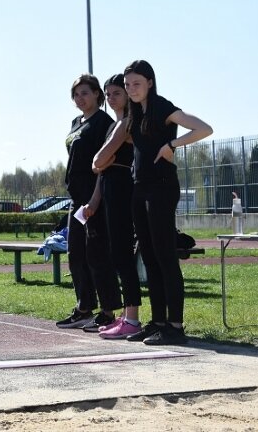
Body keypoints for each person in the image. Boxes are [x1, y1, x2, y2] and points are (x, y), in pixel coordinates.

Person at [96, 60, 212, 345]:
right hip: (139, 188)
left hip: (161, 188)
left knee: (165, 258)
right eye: (127, 85)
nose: (131, 89)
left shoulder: (162, 106)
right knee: (148, 258)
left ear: (149, 82)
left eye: (136, 84)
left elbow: (204, 129)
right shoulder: (134, 113)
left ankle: (175, 326)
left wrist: (172, 145)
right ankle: (157, 321)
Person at [56, 74, 122, 330]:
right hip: (76, 199)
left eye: (85, 93)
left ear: (97, 94)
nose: (80, 98)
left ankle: (108, 311)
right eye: (76, 94)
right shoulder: (76, 122)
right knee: (76, 255)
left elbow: (104, 165)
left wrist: (96, 198)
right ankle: (84, 307)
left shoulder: (103, 122)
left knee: (97, 255)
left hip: (95, 198)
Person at [90, 74, 142, 339]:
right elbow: (96, 165)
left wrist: (103, 162)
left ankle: (132, 318)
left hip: (123, 188)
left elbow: (99, 159)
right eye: (108, 94)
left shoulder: (128, 123)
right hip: (111, 186)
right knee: (116, 253)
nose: (111, 98)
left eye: (116, 93)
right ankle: (126, 315)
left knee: (123, 253)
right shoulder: (114, 125)